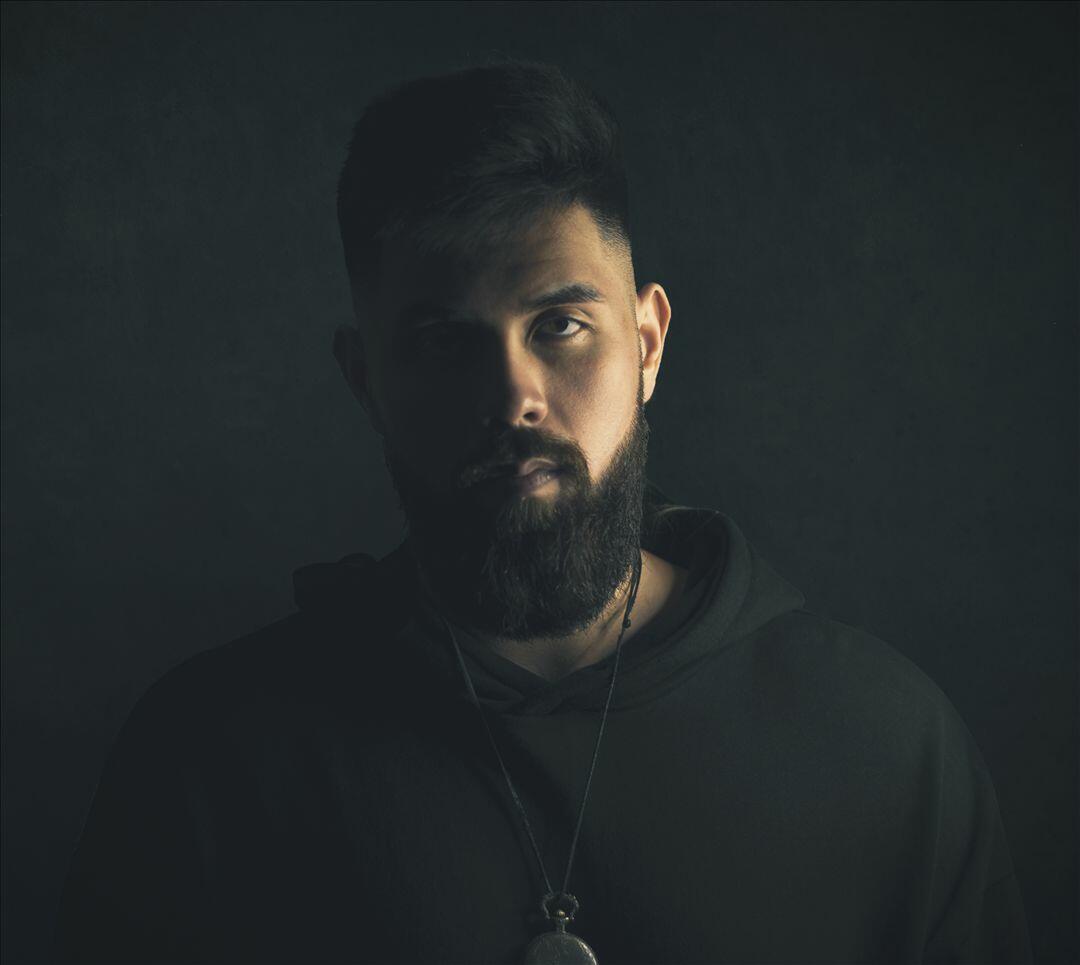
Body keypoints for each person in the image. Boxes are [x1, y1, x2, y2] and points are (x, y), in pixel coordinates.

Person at [54, 61, 1031, 964]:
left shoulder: (885, 744)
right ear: (365, 378)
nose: (513, 395)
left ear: (647, 343)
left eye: (560, 325)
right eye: (444, 341)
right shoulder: (210, 763)